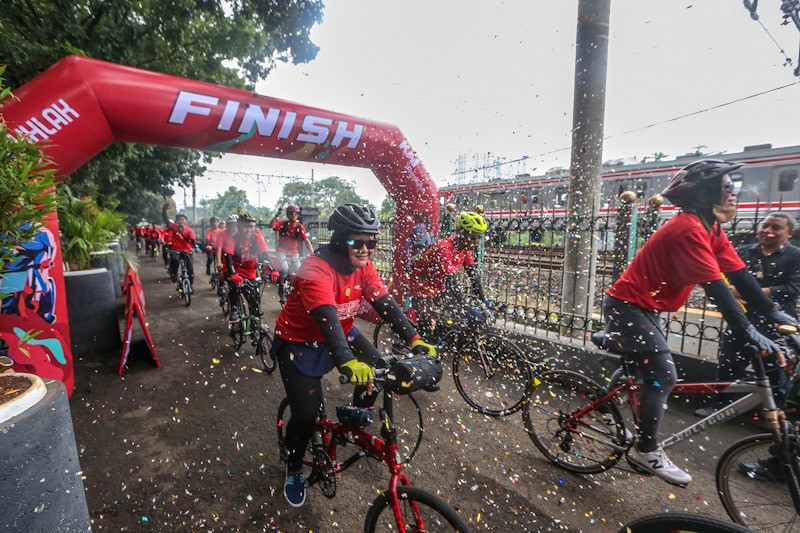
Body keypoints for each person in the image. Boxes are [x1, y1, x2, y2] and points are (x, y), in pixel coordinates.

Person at [602, 159, 796, 486]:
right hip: (627, 306)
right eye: (727, 186)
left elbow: (739, 275)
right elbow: (718, 290)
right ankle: (647, 449)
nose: (734, 192)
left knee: (642, 365)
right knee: (663, 373)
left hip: (645, 307)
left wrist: (771, 311)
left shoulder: (711, 228)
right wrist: (748, 330)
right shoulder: (688, 229)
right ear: (706, 193)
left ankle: (607, 405)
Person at [272, 203, 436, 507]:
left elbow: (386, 305)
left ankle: (350, 421)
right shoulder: (316, 267)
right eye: (356, 242)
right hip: (300, 340)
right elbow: (326, 320)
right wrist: (347, 361)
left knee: (380, 369)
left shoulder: (365, 267)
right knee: (306, 415)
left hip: (341, 332)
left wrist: (415, 340)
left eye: (371, 242)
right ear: (339, 238)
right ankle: (293, 467)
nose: (365, 249)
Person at [696, 211, 800, 417]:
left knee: (776, 369)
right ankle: (720, 406)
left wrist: (752, 292)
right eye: (765, 226)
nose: (768, 231)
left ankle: (774, 413)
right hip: (742, 319)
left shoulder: (796, 256)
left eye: (776, 228)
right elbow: (722, 280)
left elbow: (792, 288)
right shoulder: (744, 252)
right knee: (729, 364)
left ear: (790, 233)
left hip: (776, 321)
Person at [408, 211, 490, 338]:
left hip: (438, 287)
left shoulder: (464, 249)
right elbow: (451, 283)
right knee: (427, 330)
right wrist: (469, 310)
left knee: (454, 318)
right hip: (422, 286)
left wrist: (483, 301)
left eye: (479, 238)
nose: (476, 242)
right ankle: (421, 347)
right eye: (473, 237)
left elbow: (473, 276)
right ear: (462, 234)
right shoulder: (445, 248)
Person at [221, 214, 278, 324]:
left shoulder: (256, 238)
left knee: (253, 297)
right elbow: (228, 258)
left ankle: (254, 325)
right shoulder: (232, 238)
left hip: (249, 270)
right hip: (233, 268)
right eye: (245, 227)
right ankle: (234, 309)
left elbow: (265, 255)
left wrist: (273, 269)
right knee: (234, 287)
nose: (249, 230)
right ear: (238, 227)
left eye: (251, 227)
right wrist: (233, 274)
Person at [271, 204, 314, 304]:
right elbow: (271, 226)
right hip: (282, 250)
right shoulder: (282, 224)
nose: (294, 216)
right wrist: (276, 215)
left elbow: (307, 241)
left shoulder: (300, 227)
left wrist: (313, 253)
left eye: (296, 214)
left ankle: (297, 292)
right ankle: (281, 286)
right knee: (285, 269)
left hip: (293, 252)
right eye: (291, 213)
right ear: (287, 214)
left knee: (299, 272)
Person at [162, 204, 199, 291]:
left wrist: (196, 247)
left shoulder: (190, 230)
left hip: (187, 251)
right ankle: (174, 274)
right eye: (179, 219)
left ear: (186, 221)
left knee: (190, 269)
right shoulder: (174, 227)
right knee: (174, 260)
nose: (181, 221)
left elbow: (193, 240)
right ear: (176, 221)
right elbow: (165, 220)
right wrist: (164, 210)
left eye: (183, 219)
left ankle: (191, 286)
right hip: (176, 250)